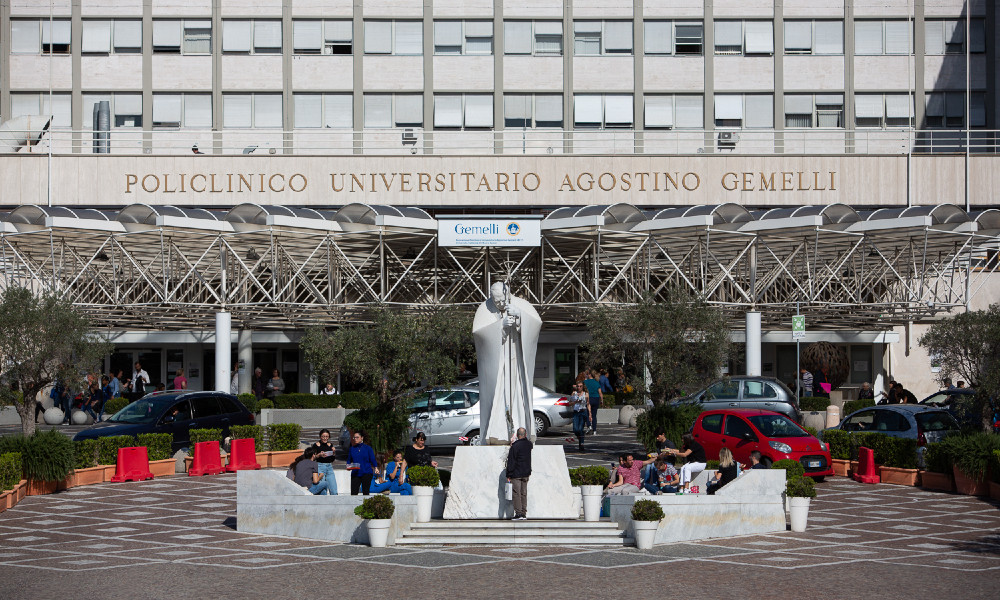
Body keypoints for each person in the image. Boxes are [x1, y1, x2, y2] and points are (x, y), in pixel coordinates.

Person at [506, 427, 532, 520]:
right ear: (525, 435)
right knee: (523, 493)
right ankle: (524, 513)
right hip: (526, 473)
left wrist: (508, 474)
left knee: (516, 493)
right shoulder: (529, 445)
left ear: (517, 435)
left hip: (516, 474)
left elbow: (511, 462)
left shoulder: (515, 446)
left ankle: (518, 513)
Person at [348, 430, 378, 495]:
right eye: (354, 437)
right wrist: (348, 466)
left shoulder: (368, 448)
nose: (355, 439)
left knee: (366, 492)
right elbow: (349, 460)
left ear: (362, 438)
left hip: (366, 472)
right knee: (353, 493)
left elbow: (372, 459)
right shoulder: (352, 449)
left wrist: (376, 467)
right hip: (355, 473)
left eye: (357, 437)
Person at [312, 428, 338, 495]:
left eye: (327, 436)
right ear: (320, 436)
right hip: (320, 467)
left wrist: (334, 452)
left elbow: (332, 459)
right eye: (323, 436)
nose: (325, 438)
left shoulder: (330, 445)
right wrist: (319, 455)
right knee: (322, 489)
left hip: (329, 467)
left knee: (334, 489)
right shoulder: (316, 445)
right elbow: (312, 458)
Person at [568, 382, 590, 452]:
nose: (579, 388)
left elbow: (588, 404)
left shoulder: (585, 394)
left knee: (580, 429)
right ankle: (580, 438)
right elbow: (569, 403)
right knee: (575, 429)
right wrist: (575, 402)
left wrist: (590, 414)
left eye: (581, 386)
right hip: (576, 412)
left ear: (583, 387)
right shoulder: (574, 393)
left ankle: (582, 444)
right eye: (578, 386)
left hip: (583, 412)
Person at [583, 369, 603, 435]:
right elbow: (600, 393)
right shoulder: (597, 382)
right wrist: (601, 400)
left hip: (589, 398)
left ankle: (589, 425)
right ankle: (594, 430)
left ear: (589, 375)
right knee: (594, 415)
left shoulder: (585, 382)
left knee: (587, 413)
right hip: (596, 399)